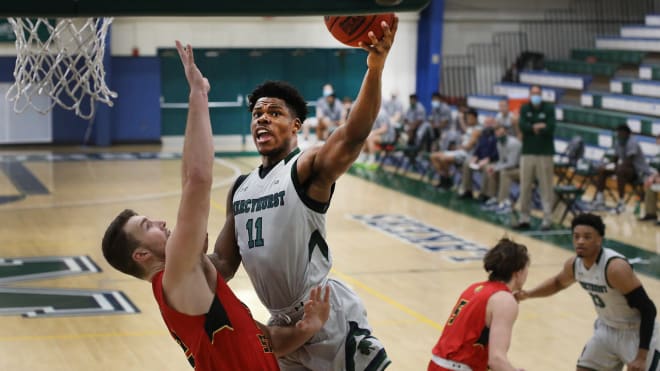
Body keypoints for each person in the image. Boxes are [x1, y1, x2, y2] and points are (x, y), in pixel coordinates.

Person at [101, 41, 330, 370]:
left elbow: (269, 342)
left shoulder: (201, 282)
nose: (161, 223)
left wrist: (308, 328)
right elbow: (196, 181)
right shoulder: (174, 279)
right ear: (142, 256)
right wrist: (198, 94)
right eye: (147, 226)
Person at [209, 18, 398, 371]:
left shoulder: (303, 167)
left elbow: (353, 135)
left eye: (274, 112)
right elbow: (222, 265)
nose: (262, 119)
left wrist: (374, 68)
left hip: (327, 316)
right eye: (257, 114)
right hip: (281, 326)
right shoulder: (241, 187)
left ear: (296, 126)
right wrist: (175, 269)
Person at [515, 213, 659, 371]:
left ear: (599, 239)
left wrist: (641, 356)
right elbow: (557, 283)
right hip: (606, 329)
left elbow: (648, 309)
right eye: (576, 237)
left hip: (636, 332)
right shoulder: (574, 265)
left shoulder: (615, 268)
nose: (580, 241)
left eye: (587, 237)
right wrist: (528, 294)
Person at [428, 238, 530, 371]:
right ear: (518, 272)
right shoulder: (505, 301)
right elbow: (496, 360)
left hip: (438, 364)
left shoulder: (475, 288)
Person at [514, 84, 555, 230]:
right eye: (533, 93)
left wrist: (532, 127)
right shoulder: (525, 108)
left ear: (541, 94)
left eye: (538, 93)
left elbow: (551, 127)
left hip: (545, 153)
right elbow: (522, 125)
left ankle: (547, 219)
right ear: (530, 95)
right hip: (528, 152)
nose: (535, 95)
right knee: (525, 186)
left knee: (546, 187)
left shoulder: (549, 108)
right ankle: (524, 218)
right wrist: (536, 127)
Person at [594, 124, 654, 214]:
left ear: (627, 133)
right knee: (602, 171)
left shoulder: (632, 142)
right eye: (617, 133)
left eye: (620, 133)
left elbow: (629, 161)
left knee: (620, 171)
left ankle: (621, 202)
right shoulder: (618, 142)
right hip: (626, 169)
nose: (618, 135)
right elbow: (615, 158)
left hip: (639, 171)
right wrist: (608, 165)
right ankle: (599, 199)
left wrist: (616, 166)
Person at [430, 108, 482, 189]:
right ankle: (446, 178)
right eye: (467, 118)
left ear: (474, 118)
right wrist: (461, 119)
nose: (467, 120)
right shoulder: (470, 128)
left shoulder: (477, 130)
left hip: (467, 155)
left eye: (469, 118)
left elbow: (468, 146)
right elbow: (465, 130)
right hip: (459, 151)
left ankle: (446, 181)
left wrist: (457, 147)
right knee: (433, 156)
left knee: (443, 159)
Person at [482, 123, 522, 211]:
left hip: (521, 169)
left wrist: (496, 168)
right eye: (496, 131)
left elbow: (512, 163)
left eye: (500, 129)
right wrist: (494, 168)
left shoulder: (514, 143)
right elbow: (502, 161)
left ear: (506, 131)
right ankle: (492, 197)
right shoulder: (499, 143)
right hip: (511, 167)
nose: (498, 132)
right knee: (490, 169)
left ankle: (502, 201)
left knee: (504, 173)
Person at [459, 117, 499, 201]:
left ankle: (484, 194)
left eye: (489, 123)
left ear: (494, 124)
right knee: (467, 163)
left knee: (487, 168)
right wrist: (475, 156)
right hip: (480, 159)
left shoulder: (497, 136)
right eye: (486, 123)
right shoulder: (483, 134)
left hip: (492, 160)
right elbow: (479, 148)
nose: (487, 125)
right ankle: (467, 190)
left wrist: (488, 159)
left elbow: (498, 152)